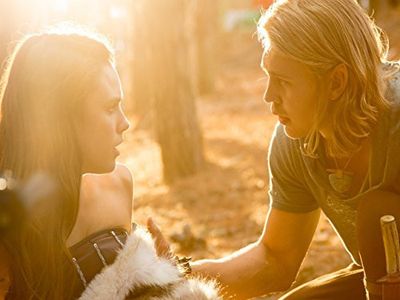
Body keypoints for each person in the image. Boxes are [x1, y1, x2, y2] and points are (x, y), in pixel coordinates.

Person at [186, 0, 400, 299]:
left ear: (336, 82)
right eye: (268, 76)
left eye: (284, 81)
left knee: (378, 211)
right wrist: (174, 275)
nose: (268, 95)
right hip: (382, 278)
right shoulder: (295, 142)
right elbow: (275, 259)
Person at [0, 27, 220, 299]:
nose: (124, 123)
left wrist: (162, 273)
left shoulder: (118, 184)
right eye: (109, 108)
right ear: (60, 119)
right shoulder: (8, 214)